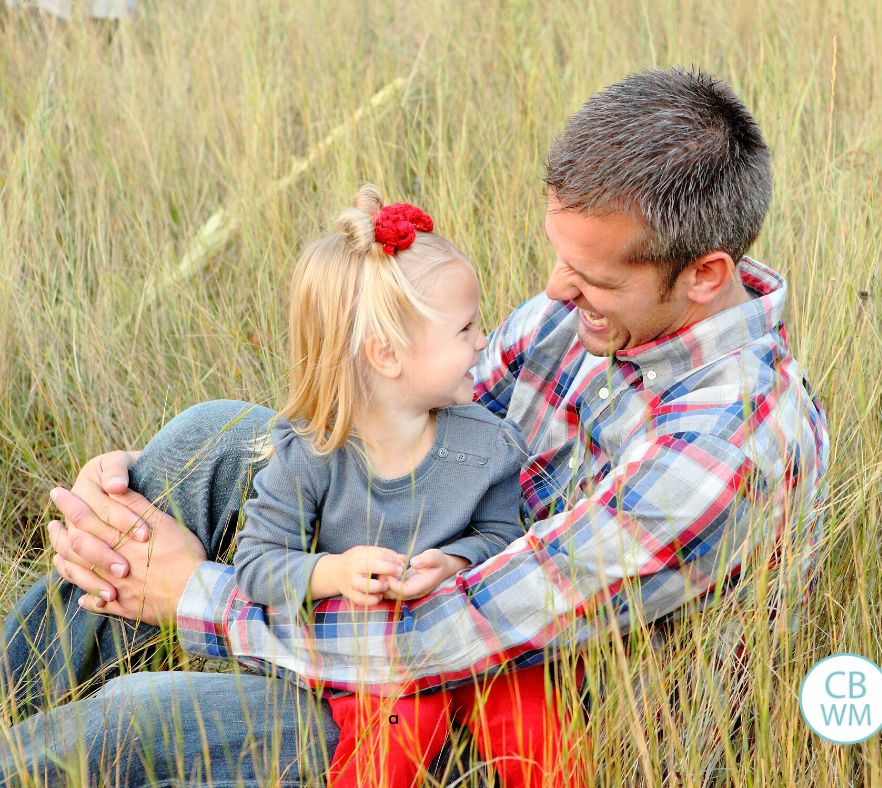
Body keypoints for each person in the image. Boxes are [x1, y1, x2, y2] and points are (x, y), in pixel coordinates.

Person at [1, 66, 829, 785]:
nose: (554, 289)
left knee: (130, 723)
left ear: (705, 274)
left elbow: (447, 637)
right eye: (559, 257)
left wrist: (192, 593)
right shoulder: (586, 314)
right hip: (419, 582)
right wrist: (148, 496)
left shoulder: (728, 444)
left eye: (590, 275)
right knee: (203, 444)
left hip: (508, 708)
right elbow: (401, 429)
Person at [232, 185, 585, 787]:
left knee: (536, 723)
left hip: (477, 642)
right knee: (393, 738)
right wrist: (335, 573)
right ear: (387, 355)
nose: (483, 341)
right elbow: (257, 564)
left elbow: (503, 531)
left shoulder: (486, 443)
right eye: (466, 328)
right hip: (373, 656)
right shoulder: (314, 453)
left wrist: (454, 560)